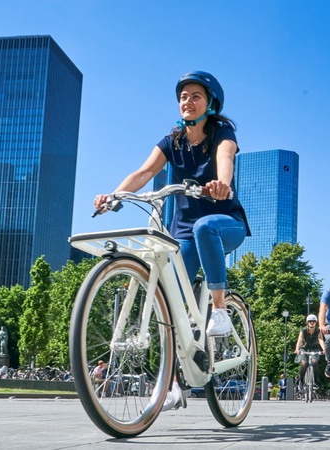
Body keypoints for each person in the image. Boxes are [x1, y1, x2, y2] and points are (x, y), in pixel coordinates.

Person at [94, 71, 251, 337]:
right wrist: (114, 196)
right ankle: (178, 373)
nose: (187, 101)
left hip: (225, 224)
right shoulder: (172, 142)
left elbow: (226, 157)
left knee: (205, 227)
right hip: (183, 232)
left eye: (196, 96)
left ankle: (220, 309)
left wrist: (222, 184)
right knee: (172, 303)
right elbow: (143, 173)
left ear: (210, 104)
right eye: (183, 97)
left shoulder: (222, 133)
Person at [294, 313, 325, 390]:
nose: (312, 323)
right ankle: (301, 380)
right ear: (307, 322)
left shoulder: (318, 330)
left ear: (316, 322)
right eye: (310, 321)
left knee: (314, 363)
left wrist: (324, 349)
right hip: (304, 349)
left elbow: (320, 339)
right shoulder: (303, 330)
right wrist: (297, 349)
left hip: (314, 349)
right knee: (305, 363)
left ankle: (315, 382)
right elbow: (300, 340)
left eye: (313, 321)